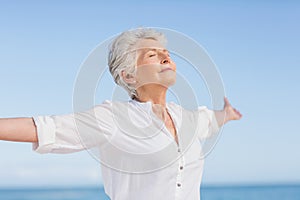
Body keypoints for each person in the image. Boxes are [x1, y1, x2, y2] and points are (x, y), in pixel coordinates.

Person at [0, 28, 242, 200]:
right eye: (151, 54)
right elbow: (44, 128)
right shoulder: (113, 118)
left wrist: (227, 113)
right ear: (129, 75)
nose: (165, 56)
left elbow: (210, 120)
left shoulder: (187, 118)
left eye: (165, 52)